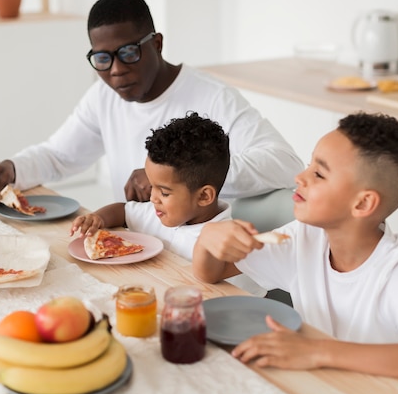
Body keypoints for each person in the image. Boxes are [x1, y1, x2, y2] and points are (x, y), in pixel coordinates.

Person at [192, 112, 398, 394]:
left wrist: (316, 351)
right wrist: (208, 240)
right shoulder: (306, 236)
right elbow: (212, 271)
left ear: (362, 203)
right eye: (309, 164)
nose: (299, 177)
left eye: (318, 173)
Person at [0, 0, 303, 205]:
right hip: (138, 247)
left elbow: (285, 164)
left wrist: (175, 175)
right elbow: (59, 156)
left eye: (128, 52)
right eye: (102, 58)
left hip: (204, 261)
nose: (115, 70)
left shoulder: (213, 97)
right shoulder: (103, 96)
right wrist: (11, 169)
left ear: (157, 43)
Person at [71, 112, 265, 295]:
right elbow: (122, 210)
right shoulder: (157, 212)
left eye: (164, 192)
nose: (153, 198)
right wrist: (98, 218)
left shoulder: (225, 242)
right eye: (151, 186)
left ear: (204, 196)